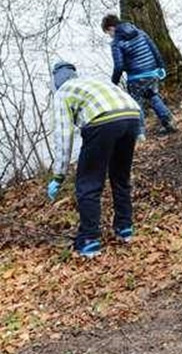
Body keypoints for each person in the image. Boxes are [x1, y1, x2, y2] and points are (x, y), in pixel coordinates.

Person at [46, 62, 142, 258]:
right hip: (131, 115)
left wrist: (58, 175)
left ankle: (89, 241)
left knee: (88, 184)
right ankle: (125, 229)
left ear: (56, 81)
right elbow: (131, 102)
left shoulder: (62, 92)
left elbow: (63, 136)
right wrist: (139, 130)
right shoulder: (93, 81)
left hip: (102, 121)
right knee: (120, 177)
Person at [101, 14, 177, 139]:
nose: (109, 36)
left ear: (111, 28)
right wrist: (161, 67)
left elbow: (118, 66)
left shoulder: (117, 43)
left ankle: (139, 134)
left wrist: (113, 83)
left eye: (108, 33)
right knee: (153, 96)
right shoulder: (140, 32)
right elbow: (154, 49)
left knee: (137, 103)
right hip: (152, 73)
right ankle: (169, 123)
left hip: (136, 77)